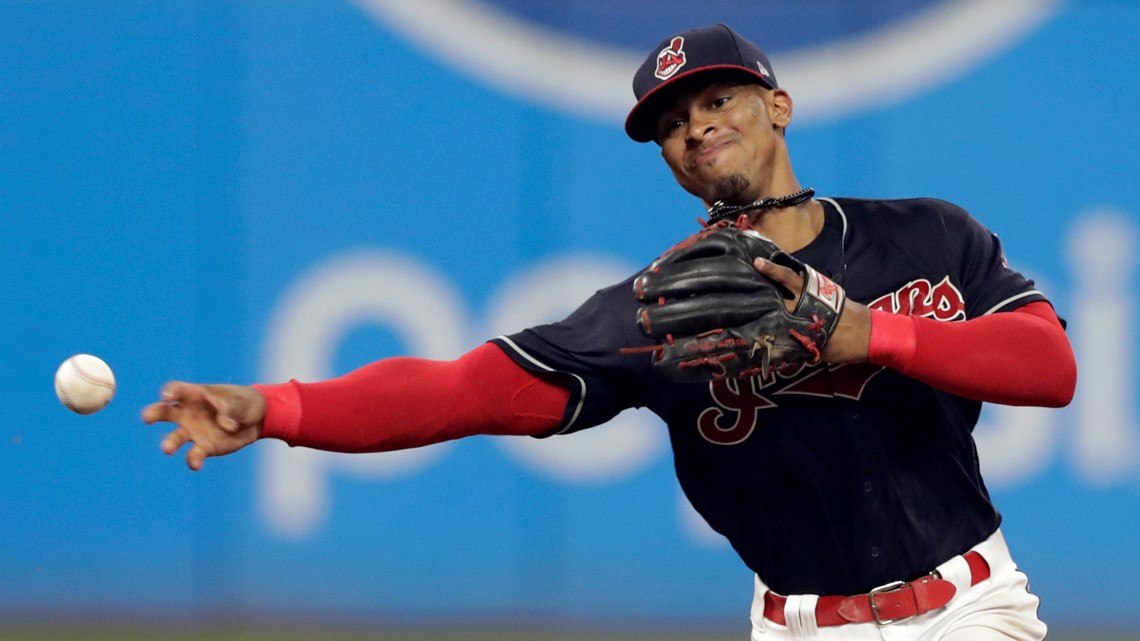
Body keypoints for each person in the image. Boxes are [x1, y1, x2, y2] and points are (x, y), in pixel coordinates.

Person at [143, 24, 1076, 641]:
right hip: (799, 624)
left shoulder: (924, 235)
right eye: (672, 124)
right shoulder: (653, 310)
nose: (697, 126)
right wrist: (278, 407)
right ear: (667, 161)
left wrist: (866, 333)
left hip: (969, 607)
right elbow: (467, 390)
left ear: (778, 105)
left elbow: (1051, 366)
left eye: (717, 100)